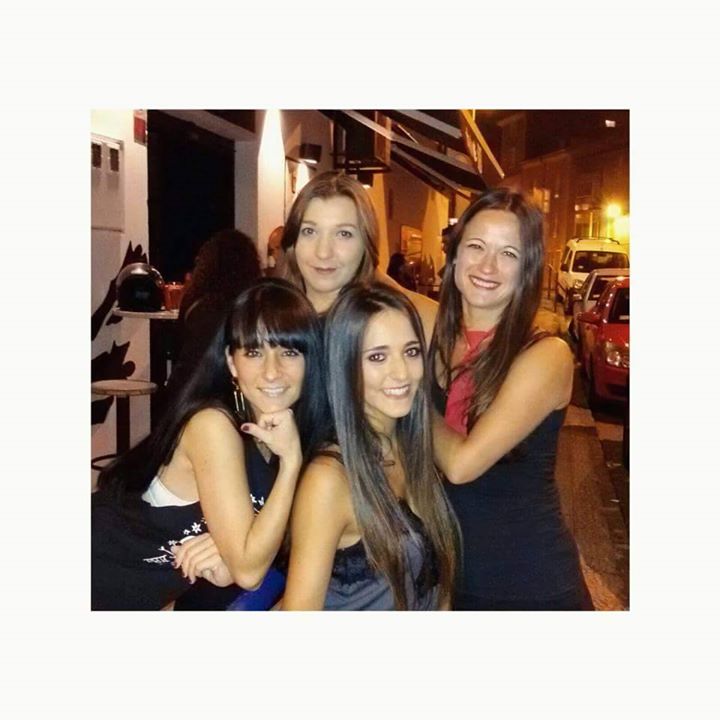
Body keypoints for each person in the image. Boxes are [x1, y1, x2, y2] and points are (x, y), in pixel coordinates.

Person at [92, 279, 328, 610]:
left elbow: (272, 551)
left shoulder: (289, 435)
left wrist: (233, 549)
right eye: (254, 352)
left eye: (289, 352)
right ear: (232, 362)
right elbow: (249, 571)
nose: (272, 372)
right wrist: (291, 463)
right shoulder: (213, 425)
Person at [430, 188, 594, 610]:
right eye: (476, 247)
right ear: (454, 255)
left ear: (528, 269)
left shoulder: (547, 355)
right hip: (453, 580)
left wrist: (408, 398)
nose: (488, 266)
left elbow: (461, 465)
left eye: (508, 254)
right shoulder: (439, 336)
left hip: (531, 586)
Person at [282, 283, 459, 610]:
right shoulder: (330, 480)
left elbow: (436, 583)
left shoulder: (410, 448)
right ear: (344, 366)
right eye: (378, 357)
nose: (401, 372)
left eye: (411, 352)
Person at [280, 170, 437, 339]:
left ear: (366, 244)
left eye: (343, 234)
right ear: (293, 241)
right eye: (309, 231)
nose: (323, 252)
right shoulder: (269, 325)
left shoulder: (402, 327)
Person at [166, 229, 262, 400]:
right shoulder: (252, 306)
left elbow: (178, 349)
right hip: (234, 393)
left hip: (190, 391)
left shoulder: (197, 303)